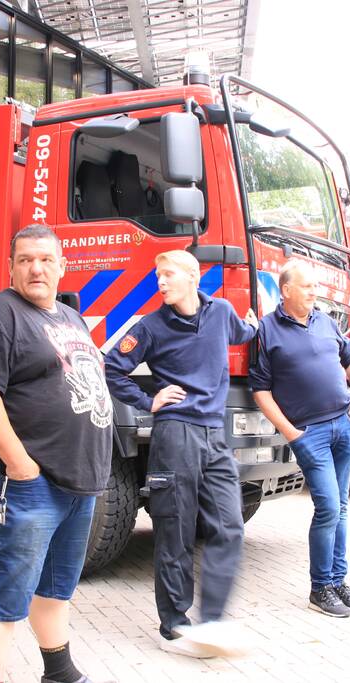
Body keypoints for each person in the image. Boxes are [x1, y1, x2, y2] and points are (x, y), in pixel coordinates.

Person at [0, 225, 113, 683]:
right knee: (4, 599)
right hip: (24, 485)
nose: (35, 268)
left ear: (62, 266)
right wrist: (19, 463)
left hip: (77, 484)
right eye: (24, 260)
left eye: (44, 259)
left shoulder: (69, 318)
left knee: (56, 590)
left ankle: (58, 671)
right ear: (11, 267)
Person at [104, 250, 258, 658]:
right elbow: (110, 367)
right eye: (158, 275)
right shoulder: (151, 327)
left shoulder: (221, 312)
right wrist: (146, 400)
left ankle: (212, 621)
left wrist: (260, 323)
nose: (161, 282)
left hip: (214, 436)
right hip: (175, 437)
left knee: (229, 527)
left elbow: (243, 332)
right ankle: (173, 626)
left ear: (194, 276)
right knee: (175, 533)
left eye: (168, 274)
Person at [248, 259, 350, 618]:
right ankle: (320, 588)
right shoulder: (267, 331)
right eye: (307, 287)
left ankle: (338, 581)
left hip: (344, 425)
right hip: (310, 434)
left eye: (315, 287)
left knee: (342, 507)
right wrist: (292, 434)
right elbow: (260, 391)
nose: (314, 292)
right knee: (329, 507)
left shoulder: (325, 321)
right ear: (286, 290)